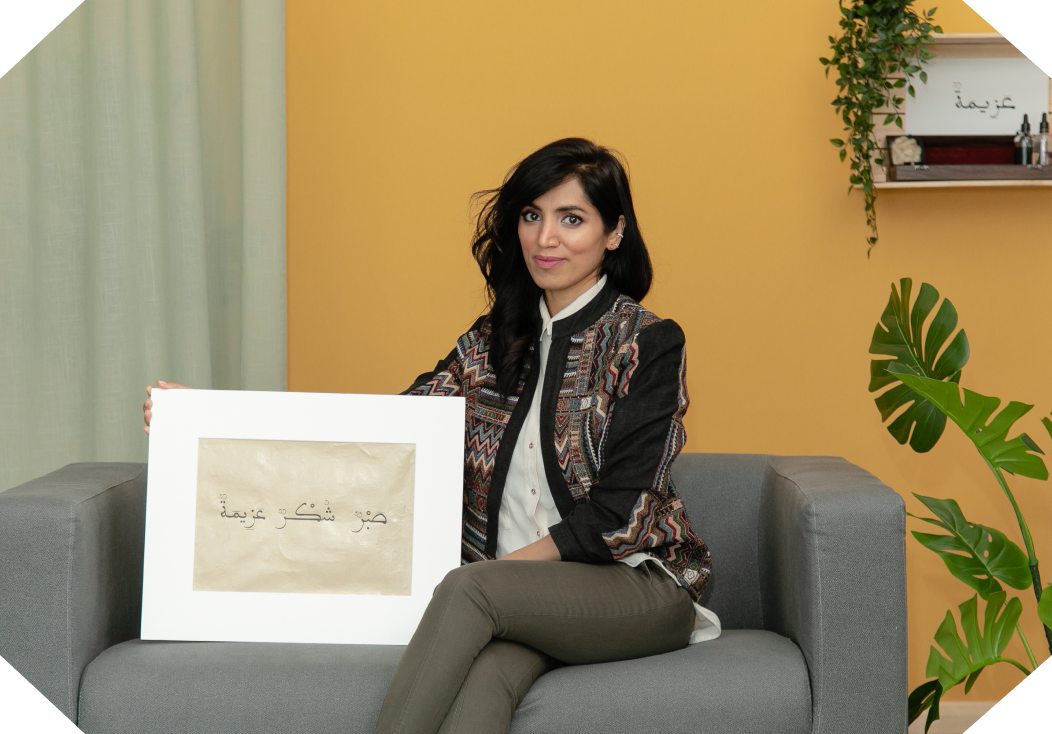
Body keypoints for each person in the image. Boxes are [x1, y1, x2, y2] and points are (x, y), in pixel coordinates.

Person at [143, 138, 719, 734]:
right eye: (532, 215)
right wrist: (208, 415)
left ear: (614, 232)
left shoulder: (646, 342)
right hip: (521, 599)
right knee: (483, 690)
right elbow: (386, 432)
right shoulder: (490, 342)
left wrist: (497, 574)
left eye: (571, 218)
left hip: (639, 586)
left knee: (469, 591)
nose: (545, 238)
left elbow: (619, 513)